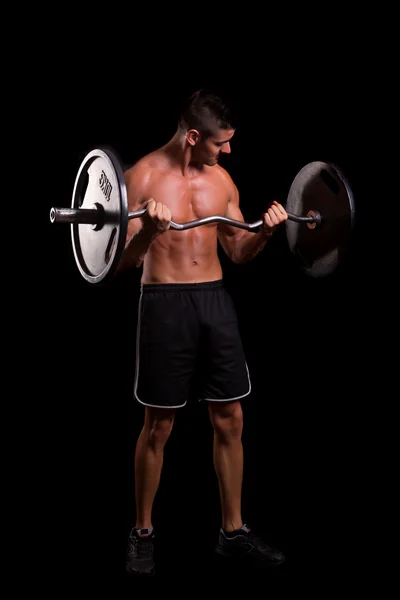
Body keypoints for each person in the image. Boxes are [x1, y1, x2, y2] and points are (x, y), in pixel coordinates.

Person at [119, 89, 288, 576]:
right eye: (221, 143)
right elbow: (121, 265)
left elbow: (238, 252)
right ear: (194, 137)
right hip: (164, 304)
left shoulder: (222, 180)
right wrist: (149, 230)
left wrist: (267, 232)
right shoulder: (140, 178)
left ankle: (232, 533)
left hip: (214, 300)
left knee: (231, 419)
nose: (228, 151)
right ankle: (143, 531)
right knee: (159, 426)